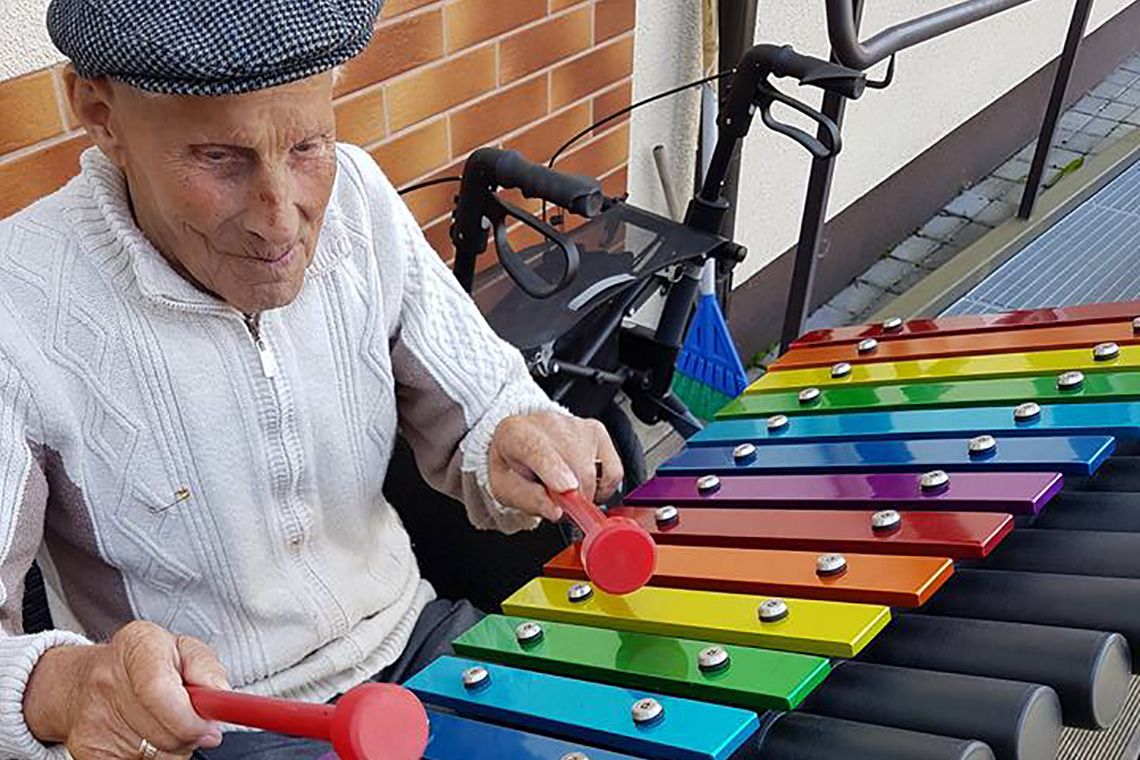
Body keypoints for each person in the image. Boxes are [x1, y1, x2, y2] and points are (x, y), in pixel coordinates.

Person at [0, 1, 623, 758]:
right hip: (211, 730)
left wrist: (522, 435)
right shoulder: (17, 301)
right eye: (217, 158)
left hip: (418, 648)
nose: (281, 221)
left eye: (306, 145)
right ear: (99, 112)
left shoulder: (358, 196)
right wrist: (67, 688)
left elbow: (489, 406)